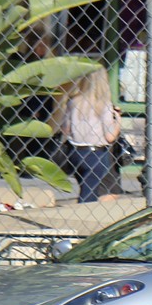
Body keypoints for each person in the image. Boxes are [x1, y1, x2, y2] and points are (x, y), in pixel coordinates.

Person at [56, 67, 121, 205]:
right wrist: (118, 119)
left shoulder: (73, 102)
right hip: (95, 154)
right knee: (89, 193)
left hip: (75, 152)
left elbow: (66, 129)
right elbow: (110, 137)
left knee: (85, 187)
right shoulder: (104, 105)